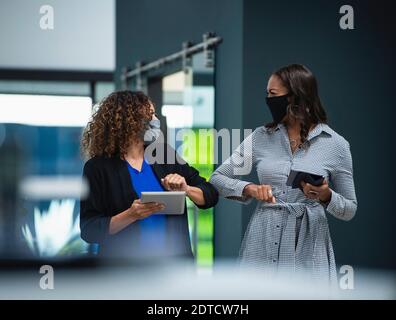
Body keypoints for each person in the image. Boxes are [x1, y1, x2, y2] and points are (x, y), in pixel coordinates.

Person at [209, 64, 357, 284]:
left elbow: (349, 209)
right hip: (263, 237)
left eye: (273, 94)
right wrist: (249, 189)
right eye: (267, 93)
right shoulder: (261, 137)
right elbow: (217, 178)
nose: (268, 99)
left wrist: (326, 195)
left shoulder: (336, 145)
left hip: (310, 240)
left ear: (295, 97)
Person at [80, 90, 218, 259]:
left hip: (174, 268)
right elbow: (89, 230)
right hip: (125, 272)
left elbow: (211, 195)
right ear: (128, 121)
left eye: (155, 114)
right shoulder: (97, 168)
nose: (156, 120)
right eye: (150, 115)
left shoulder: (164, 155)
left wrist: (186, 189)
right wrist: (130, 215)